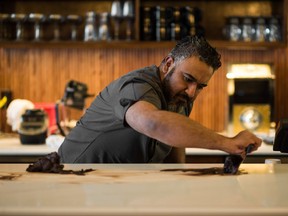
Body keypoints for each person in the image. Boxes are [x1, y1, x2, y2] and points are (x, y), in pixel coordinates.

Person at [58, 35, 262, 163]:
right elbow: (155, 124)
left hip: (111, 186)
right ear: (168, 65)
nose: (192, 92)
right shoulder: (138, 85)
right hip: (69, 181)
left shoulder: (180, 95)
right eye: (188, 79)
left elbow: (174, 140)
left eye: (200, 86)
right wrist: (227, 143)